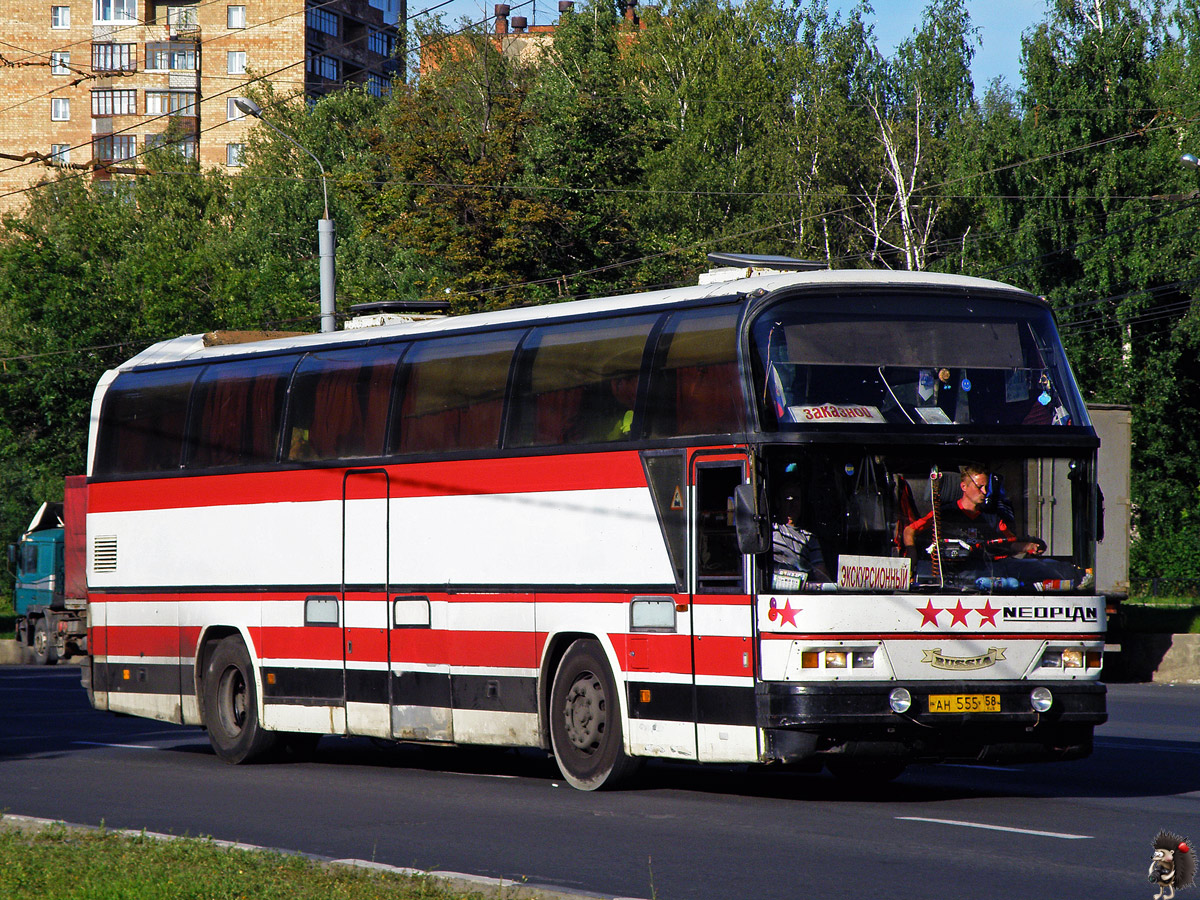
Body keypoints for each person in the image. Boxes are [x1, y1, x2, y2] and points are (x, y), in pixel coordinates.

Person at [902, 464, 1043, 559]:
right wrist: (912, 556)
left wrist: (1029, 546)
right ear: (964, 486)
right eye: (980, 487)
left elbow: (1010, 542)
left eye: (987, 487)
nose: (985, 492)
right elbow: (909, 530)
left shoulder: (993, 518)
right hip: (952, 574)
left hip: (984, 573)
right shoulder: (944, 513)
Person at [771, 488, 830, 589]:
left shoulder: (810, 538)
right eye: (787, 499)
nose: (792, 504)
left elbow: (821, 575)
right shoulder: (771, 529)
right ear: (778, 502)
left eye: (796, 499)